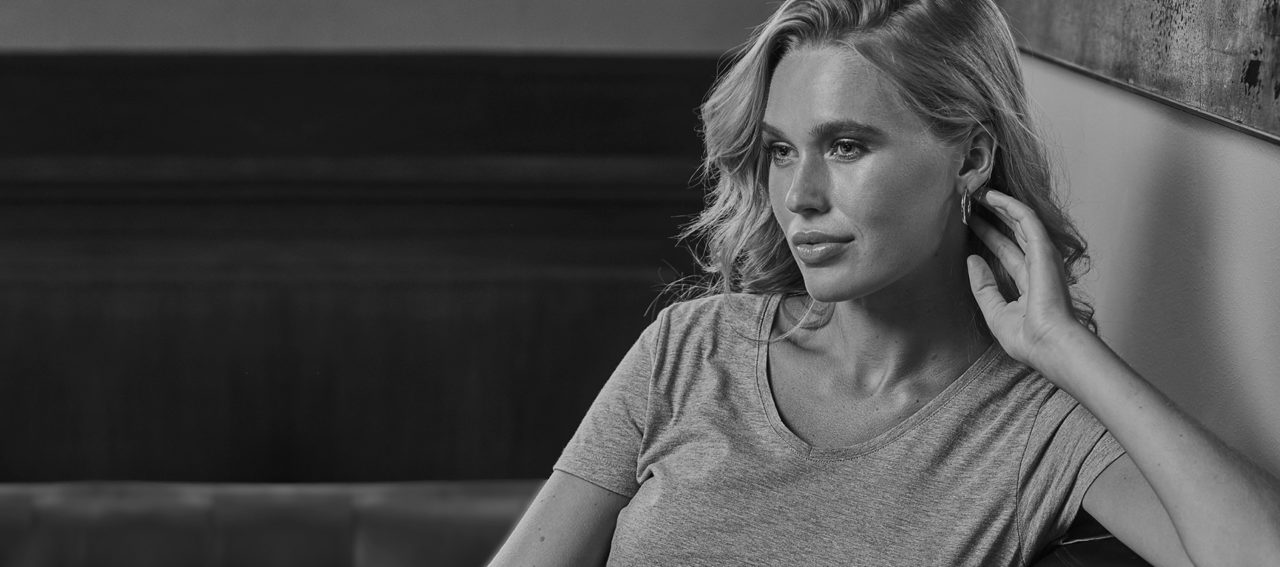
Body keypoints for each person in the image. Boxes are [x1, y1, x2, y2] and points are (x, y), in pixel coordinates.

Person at [488, 0, 1280, 565]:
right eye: (781, 150)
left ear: (971, 158)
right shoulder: (691, 346)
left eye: (845, 146)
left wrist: (1064, 346)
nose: (798, 197)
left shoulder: (1039, 421)